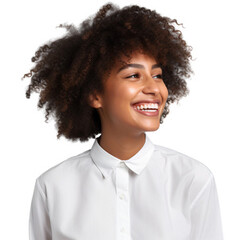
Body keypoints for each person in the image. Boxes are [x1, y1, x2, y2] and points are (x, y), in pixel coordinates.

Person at [24, 4, 222, 240]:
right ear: (95, 95)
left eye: (157, 75)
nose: (153, 88)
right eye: (133, 75)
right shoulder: (53, 186)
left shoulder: (192, 179)